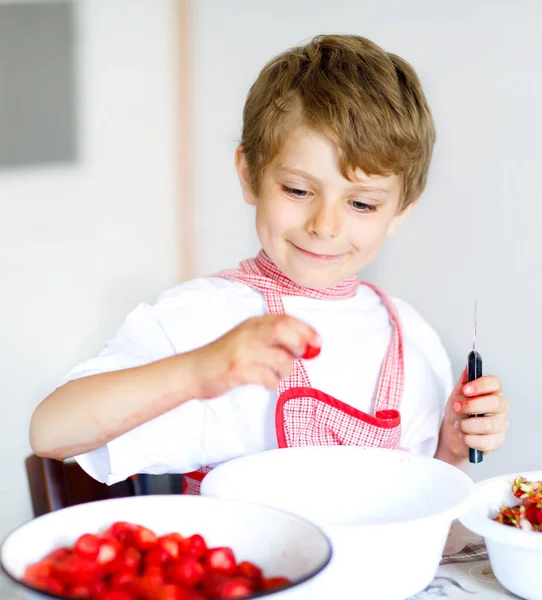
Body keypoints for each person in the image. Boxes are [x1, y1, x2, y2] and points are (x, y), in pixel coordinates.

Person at [30, 34, 509, 492]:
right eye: (299, 191)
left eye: (361, 204)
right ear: (250, 175)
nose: (325, 225)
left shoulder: (410, 337)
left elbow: (416, 491)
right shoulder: (201, 319)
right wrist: (197, 372)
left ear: (400, 212)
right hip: (250, 575)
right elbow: (50, 432)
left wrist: (448, 451)